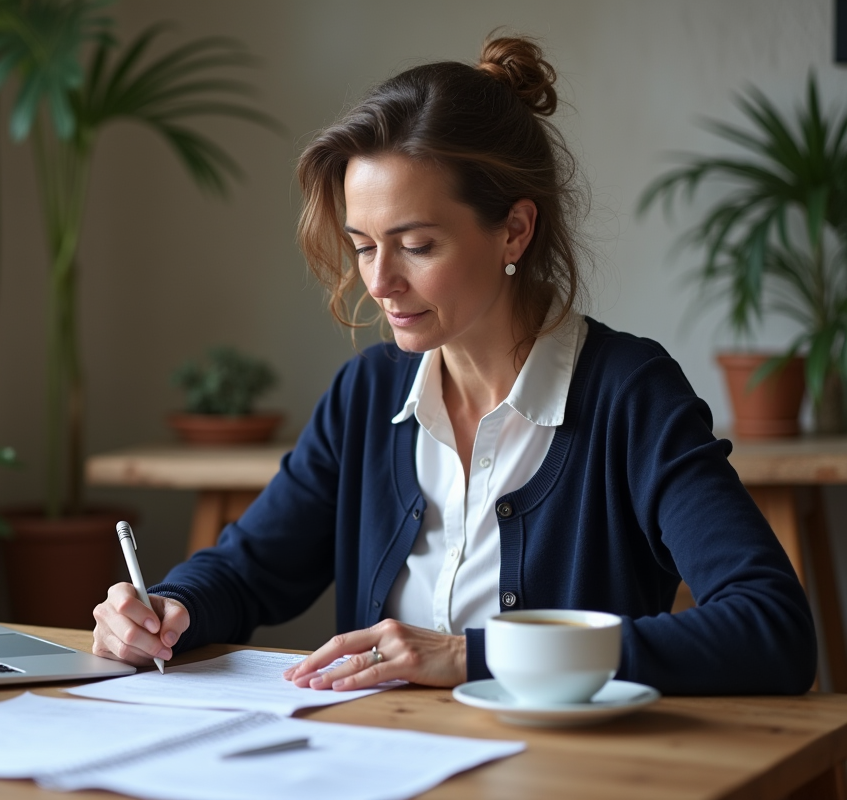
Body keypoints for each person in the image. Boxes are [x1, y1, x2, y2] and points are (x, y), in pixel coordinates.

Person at [91, 35, 817, 695]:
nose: (379, 283)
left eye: (416, 244)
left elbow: (770, 628)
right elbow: (251, 569)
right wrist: (167, 607)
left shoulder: (630, 393)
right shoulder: (368, 394)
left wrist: (478, 655)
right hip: (384, 765)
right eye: (365, 245)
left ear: (515, 231)